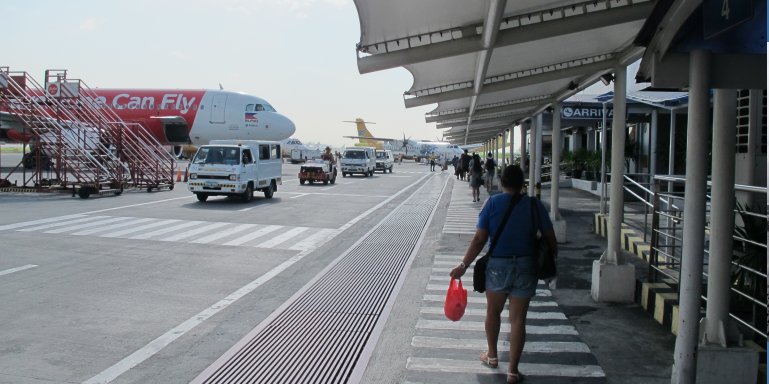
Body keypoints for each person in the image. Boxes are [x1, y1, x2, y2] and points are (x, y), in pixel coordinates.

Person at [449, 165, 557, 384]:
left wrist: (463, 265)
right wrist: (553, 261)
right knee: (518, 319)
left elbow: (479, 239)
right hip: (526, 265)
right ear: (522, 183)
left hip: (498, 265)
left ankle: (492, 355)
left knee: (493, 312)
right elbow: (550, 238)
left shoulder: (493, 203)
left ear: (501, 181)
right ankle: (513, 372)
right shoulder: (535, 206)